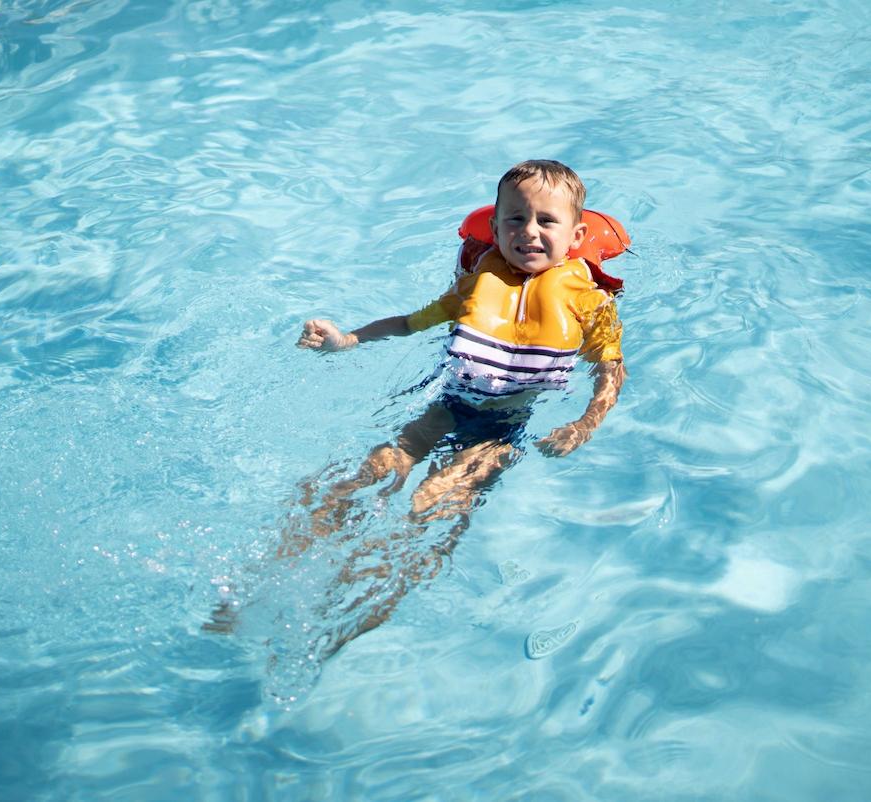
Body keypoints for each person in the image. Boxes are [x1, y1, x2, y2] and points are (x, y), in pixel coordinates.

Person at [207, 160, 626, 649]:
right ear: (493, 227)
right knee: (361, 476)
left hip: (498, 431)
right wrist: (345, 341)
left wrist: (585, 424)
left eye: (545, 221)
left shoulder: (589, 301)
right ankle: (253, 589)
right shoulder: (475, 285)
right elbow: (409, 323)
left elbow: (611, 370)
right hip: (442, 406)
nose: (528, 232)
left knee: (433, 510)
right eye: (515, 218)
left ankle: (342, 621)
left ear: (576, 235)